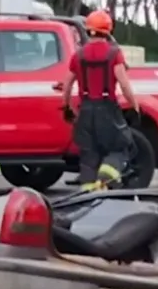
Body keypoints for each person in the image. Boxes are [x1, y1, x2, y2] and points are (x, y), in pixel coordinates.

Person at [60, 10, 140, 190]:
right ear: (108, 30)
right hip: (107, 110)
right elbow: (124, 83)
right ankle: (106, 177)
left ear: (88, 30)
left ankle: (89, 195)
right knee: (120, 147)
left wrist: (65, 107)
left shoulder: (78, 55)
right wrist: (135, 106)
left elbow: (66, 85)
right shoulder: (114, 54)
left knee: (89, 157)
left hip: (85, 111)